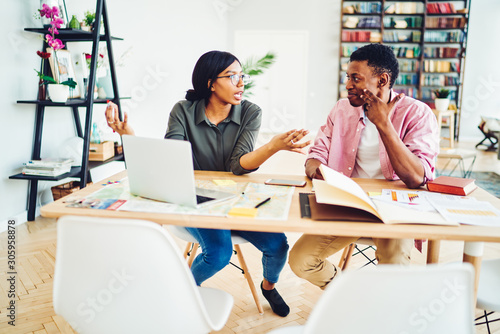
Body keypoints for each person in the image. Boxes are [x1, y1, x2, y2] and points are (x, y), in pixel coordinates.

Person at [106, 50, 311, 317]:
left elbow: (237, 166)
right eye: (232, 76)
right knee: (219, 253)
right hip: (194, 200)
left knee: (278, 245)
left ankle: (269, 287)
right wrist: (130, 136)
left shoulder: (250, 112)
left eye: (242, 76)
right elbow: (173, 158)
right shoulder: (183, 110)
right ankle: (187, 287)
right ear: (210, 83)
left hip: (237, 199)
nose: (241, 83)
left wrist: (272, 147)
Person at [288, 43, 439, 290]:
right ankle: (350, 295)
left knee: (394, 272)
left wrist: (384, 124)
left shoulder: (418, 114)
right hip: (349, 205)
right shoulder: (341, 109)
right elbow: (316, 154)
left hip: (395, 212)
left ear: (382, 80)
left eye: (356, 78)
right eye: (348, 77)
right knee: (300, 260)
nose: (348, 85)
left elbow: (417, 177)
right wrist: (319, 170)